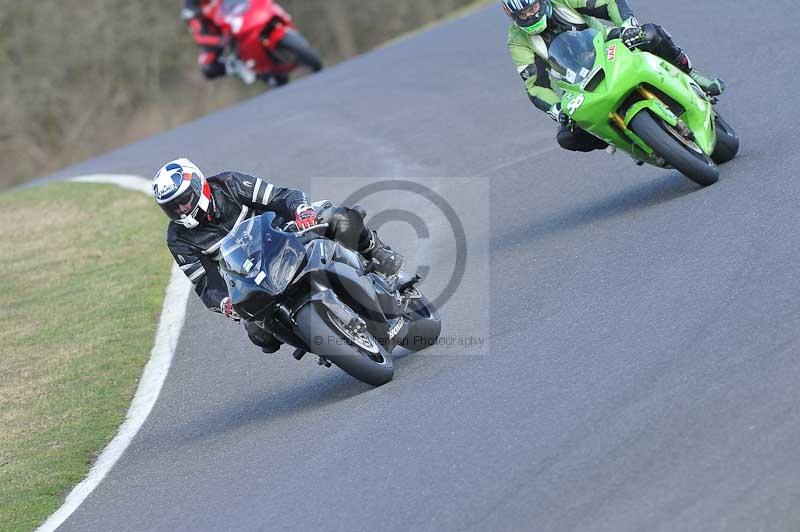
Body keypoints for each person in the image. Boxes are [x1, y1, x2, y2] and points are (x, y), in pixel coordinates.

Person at [152, 158, 403, 353]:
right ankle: (323, 343)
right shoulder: (178, 238)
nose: (181, 209)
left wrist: (301, 211)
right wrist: (225, 303)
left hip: (286, 236)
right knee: (261, 336)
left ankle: (377, 251)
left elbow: (280, 197)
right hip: (251, 276)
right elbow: (206, 285)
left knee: (337, 219)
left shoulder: (229, 184)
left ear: (200, 186)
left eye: (184, 200)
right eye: (172, 207)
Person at [503, 0, 725, 152]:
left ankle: (693, 75)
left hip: (608, 46)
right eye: (523, 14)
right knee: (568, 137)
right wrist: (556, 109)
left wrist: (628, 25)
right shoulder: (517, 41)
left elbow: (608, 2)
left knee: (650, 34)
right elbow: (535, 86)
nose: (531, 15)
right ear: (510, 15)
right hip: (576, 81)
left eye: (533, 8)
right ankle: (621, 140)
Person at [182, 0, 226, 79]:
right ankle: (234, 67)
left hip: (236, 20)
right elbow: (199, 38)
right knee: (207, 68)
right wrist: (220, 40)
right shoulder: (191, 9)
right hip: (218, 36)